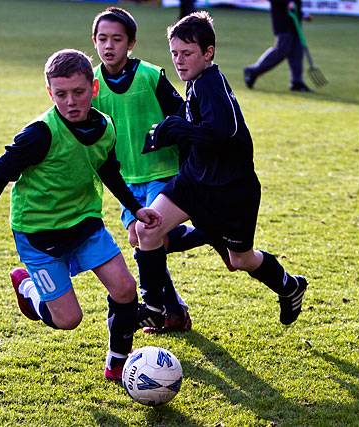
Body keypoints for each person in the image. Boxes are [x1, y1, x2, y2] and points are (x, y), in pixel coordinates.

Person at [0, 49, 162, 381]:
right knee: (68, 320)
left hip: (85, 224)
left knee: (125, 289)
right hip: (39, 235)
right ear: (50, 93)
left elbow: (107, 170)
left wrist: (136, 207)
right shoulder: (39, 134)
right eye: (61, 94)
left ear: (94, 89)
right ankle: (28, 289)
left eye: (79, 92)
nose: (71, 101)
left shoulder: (105, 127)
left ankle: (117, 362)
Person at [135, 12, 308, 328]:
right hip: (194, 181)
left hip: (231, 191)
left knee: (239, 260)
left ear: (208, 53)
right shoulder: (196, 83)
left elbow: (222, 131)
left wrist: (177, 127)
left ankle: (289, 286)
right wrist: (168, 132)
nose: (179, 60)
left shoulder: (210, 82)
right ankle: (154, 305)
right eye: (174, 53)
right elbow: (199, 132)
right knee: (148, 229)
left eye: (187, 53)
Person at [90, 7, 232, 333]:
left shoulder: (151, 76)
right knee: (141, 239)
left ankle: (158, 307)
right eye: (102, 39)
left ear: (131, 43)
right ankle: (176, 307)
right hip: (126, 179)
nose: (109, 46)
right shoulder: (92, 83)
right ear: (94, 41)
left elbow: (184, 118)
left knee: (148, 232)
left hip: (161, 171)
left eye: (117, 39)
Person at [243, 0, 312, 92]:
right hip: (283, 23)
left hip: (295, 23)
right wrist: (287, 2)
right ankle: (253, 71)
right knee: (282, 50)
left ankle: (297, 82)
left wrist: (302, 14)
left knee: (297, 51)